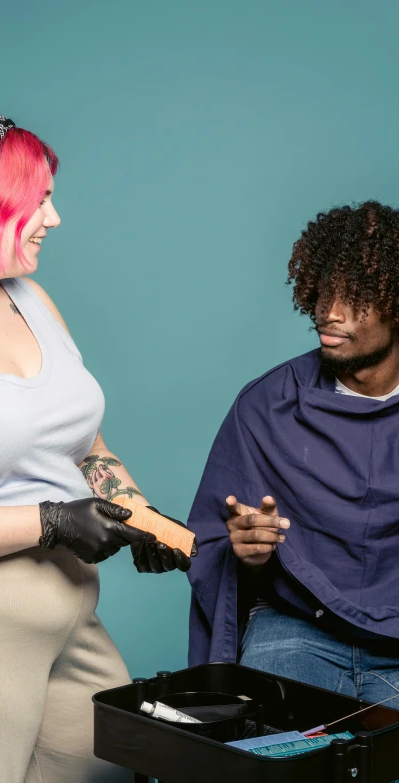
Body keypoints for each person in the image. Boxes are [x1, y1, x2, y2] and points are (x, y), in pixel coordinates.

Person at [0, 106, 194, 783]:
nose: (54, 219)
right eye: (38, 201)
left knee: (116, 766)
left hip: (66, 620)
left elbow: (84, 444)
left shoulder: (28, 298)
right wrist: (49, 521)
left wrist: (141, 516)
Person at [188, 201, 399, 707]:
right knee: (267, 750)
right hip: (298, 627)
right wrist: (249, 553)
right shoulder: (267, 406)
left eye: (358, 296)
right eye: (325, 291)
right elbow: (211, 546)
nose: (330, 311)